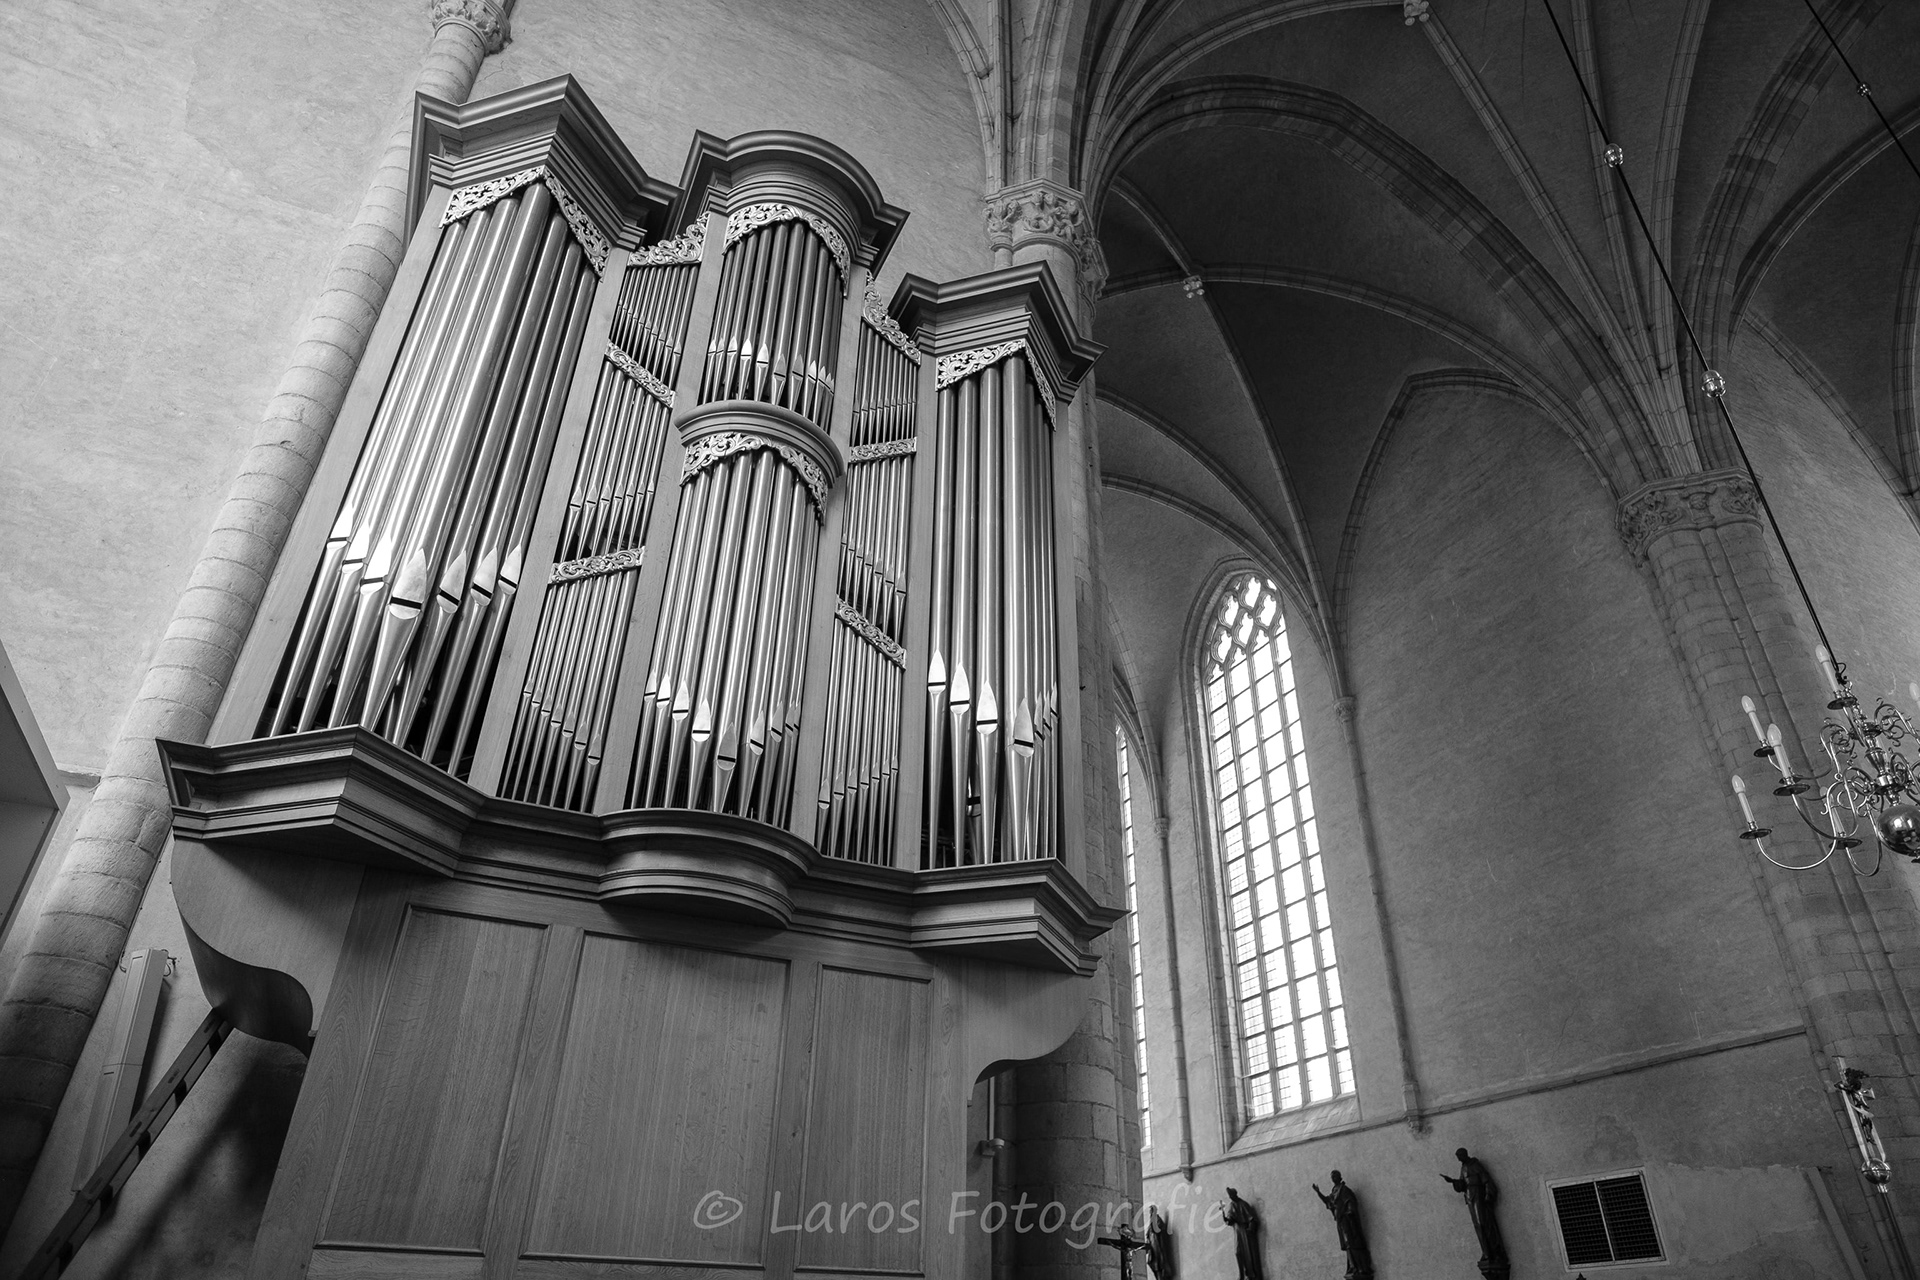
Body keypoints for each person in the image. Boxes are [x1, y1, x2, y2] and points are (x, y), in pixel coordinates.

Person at [1441, 1148, 1509, 1278]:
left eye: (1459, 1156)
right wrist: (1453, 1181)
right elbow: (1462, 1185)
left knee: (1483, 1223)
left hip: (1479, 1195)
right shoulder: (1464, 1167)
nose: (1458, 1159)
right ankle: (1486, 1253)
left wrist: (1488, 1195)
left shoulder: (1475, 1165)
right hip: (1470, 1197)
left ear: (1464, 1155)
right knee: (1477, 1225)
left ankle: (1494, 1252)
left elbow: (1486, 1180)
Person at [1312, 1171, 1374, 1280]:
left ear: (1340, 1177)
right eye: (1332, 1177)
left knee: (1352, 1242)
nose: (1333, 1178)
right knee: (1346, 1244)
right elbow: (1328, 1201)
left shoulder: (1344, 1190)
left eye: (1335, 1176)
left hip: (1348, 1220)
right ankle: (1353, 1267)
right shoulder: (1334, 1191)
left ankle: (1360, 1268)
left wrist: (1350, 1211)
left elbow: (1351, 1202)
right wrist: (1318, 1192)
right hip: (1340, 1221)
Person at [1221, 1187, 1265, 1280]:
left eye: (1231, 1196)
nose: (1230, 1198)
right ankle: (1242, 1275)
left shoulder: (1243, 1204)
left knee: (1248, 1252)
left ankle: (1250, 1275)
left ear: (1235, 1195)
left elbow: (1252, 1219)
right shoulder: (1232, 1205)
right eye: (1229, 1197)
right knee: (1238, 1252)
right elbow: (1231, 1219)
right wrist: (1226, 1219)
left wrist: (1250, 1228)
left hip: (1245, 1231)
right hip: (1237, 1231)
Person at [1145, 1205, 1175, 1280]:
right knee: (1155, 1265)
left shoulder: (1157, 1219)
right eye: (1150, 1212)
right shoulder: (1151, 1222)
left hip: (1157, 1245)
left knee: (1160, 1264)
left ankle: (1161, 1277)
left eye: (1152, 1211)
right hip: (1153, 1247)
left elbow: (1158, 1230)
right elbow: (1148, 1235)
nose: (1150, 1213)